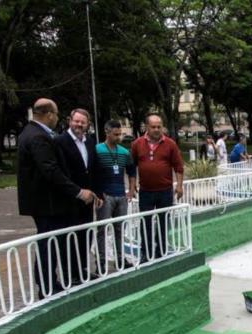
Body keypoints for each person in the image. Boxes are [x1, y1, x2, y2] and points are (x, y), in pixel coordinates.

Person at [17, 98, 97, 297]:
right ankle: (47, 286)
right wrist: (78, 192)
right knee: (48, 245)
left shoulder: (33, 133)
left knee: (51, 243)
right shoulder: (38, 137)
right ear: (49, 114)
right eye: (57, 114)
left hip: (47, 203)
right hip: (47, 204)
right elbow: (51, 171)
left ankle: (51, 283)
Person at [130, 114, 184, 260]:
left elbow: (178, 167)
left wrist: (179, 186)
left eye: (159, 126)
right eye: (153, 127)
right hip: (146, 192)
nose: (156, 129)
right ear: (146, 127)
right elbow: (131, 166)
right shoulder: (137, 144)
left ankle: (161, 252)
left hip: (165, 191)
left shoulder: (170, 144)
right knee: (145, 223)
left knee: (163, 222)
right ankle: (146, 254)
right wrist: (132, 183)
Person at [55, 108, 97, 280]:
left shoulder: (90, 142)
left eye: (83, 122)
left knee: (85, 235)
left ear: (88, 125)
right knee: (69, 238)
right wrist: (76, 192)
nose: (79, 124)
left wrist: (96, 193)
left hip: (87, 200)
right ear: (69, 121)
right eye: (76, 121)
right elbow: (60, 172)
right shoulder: (60, 141)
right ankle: (69, 275)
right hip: (69, 199)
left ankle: (82, 270)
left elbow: (92, 170)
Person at [93, 119, 137, 269]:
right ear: (107, 132)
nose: (118, 137)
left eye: (120, 134)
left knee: (120, 228)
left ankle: (120, 258)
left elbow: (131, 171)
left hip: (121, 194)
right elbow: (92, 172)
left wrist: (131, 189)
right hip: (105, 195)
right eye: (115, 134)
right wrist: (97, 193)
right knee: (102, 229)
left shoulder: (124, 152)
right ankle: (101, 261)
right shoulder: (97, 150)